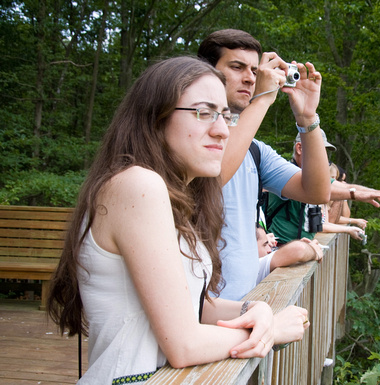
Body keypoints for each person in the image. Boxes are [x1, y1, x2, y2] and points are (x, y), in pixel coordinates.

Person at [46, 57, 309, 384]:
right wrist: (271, 333)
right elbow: (183, 344)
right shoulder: (138, 186)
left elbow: (190, 308)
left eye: (225, 115)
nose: (222, 130)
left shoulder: (172, 197)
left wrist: (254, 310)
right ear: (156, 118)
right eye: (203, 112)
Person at [198, 29, 331, 301]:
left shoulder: (255, 150)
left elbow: (317, 191)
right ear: (206, 73)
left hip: (244, 308)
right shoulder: (190, 137)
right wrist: (263, 98)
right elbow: (214, 175)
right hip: (198, 317)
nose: (250, 77)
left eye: (255, 70)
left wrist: (307, 118)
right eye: (237, 67)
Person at [267, 133, 380, 244]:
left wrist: (374, 192)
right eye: (319, 151)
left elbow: (346, 187)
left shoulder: (313, 179)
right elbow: (327, 189)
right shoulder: (282, 173)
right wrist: (353, 196)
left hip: (300, 250)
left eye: (325, 153)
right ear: (300, 148)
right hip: (276, 250)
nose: (324, 159)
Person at [255, 224, 324, 284]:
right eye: (264, 245)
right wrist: (315, 251)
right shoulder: (256, 264)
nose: (269, 250)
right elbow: (299, 249)